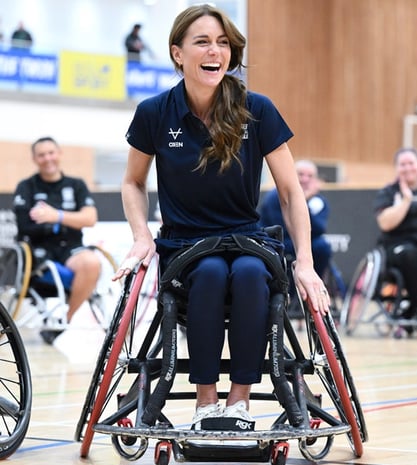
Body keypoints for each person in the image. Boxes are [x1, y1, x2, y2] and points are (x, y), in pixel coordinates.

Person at [114, 4, 331, 430]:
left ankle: (239, 403)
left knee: (251, 274)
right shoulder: (154, 113)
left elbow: (290, 190)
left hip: (247, 239)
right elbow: (132, 183)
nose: (215, 51)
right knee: (210, 274)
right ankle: (205, 402)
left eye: (222, 42)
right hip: (186, 245)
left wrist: (304, 261)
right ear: (178, 53)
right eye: (202, 42)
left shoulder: (258, 109)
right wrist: (141, 237)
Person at [12, 137, 100, 344]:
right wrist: (63, 222)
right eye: (41, 155)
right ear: (35, 159)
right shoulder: (26, 187)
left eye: (51, 153)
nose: (47, 158)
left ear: (59, 154)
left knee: (93, 262)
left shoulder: (76, 185)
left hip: (71, 249)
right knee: (45, 263)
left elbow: (90, 218)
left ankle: (64, 320)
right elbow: (25, 226)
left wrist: (57, 215)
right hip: (39, 253)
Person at [259, 159, 332, 282]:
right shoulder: (274, 196)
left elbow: (319, 229)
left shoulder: (319, 201)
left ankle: (315, 285)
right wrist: (300, 200)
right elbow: (283, 228)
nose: (305, 179)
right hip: (278, 241)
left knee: (322, 246)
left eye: (310, 176)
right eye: (301, 174)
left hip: (305, 242)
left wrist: (303, 202)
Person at [374, 147, 417, 328]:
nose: (407, 167)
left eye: (411, 163)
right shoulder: (388, 193)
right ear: (397, 169)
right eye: (403, 164)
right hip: (397, 249)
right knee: (410, 254)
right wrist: (406, 200)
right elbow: (385, 223)